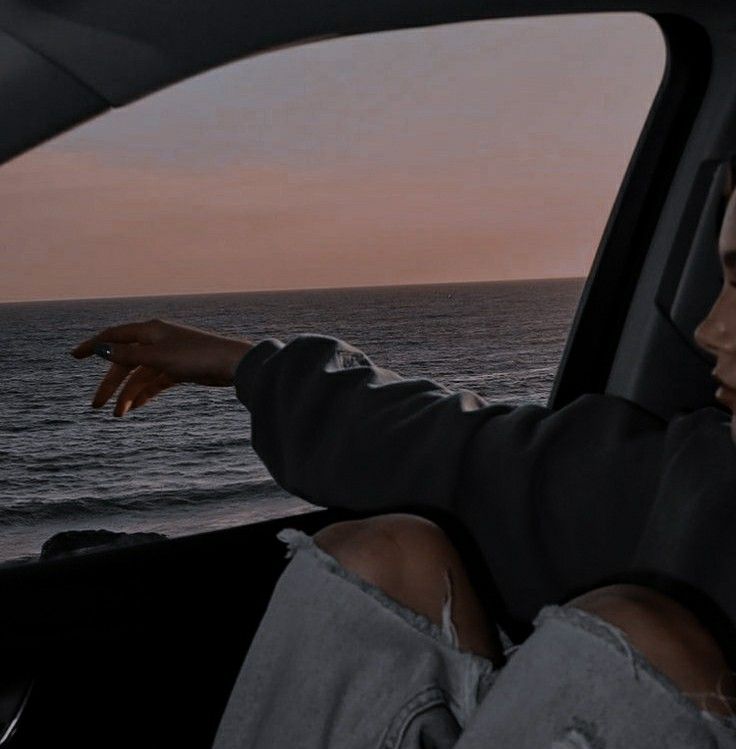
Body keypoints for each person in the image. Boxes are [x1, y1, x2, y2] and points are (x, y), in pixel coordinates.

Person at [70, 179, 736, 748]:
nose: (710, 328)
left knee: (643, 641)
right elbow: (469, 451)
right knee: (387, 554)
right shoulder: (705, 474)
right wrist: (245, 365)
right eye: (723, 278)